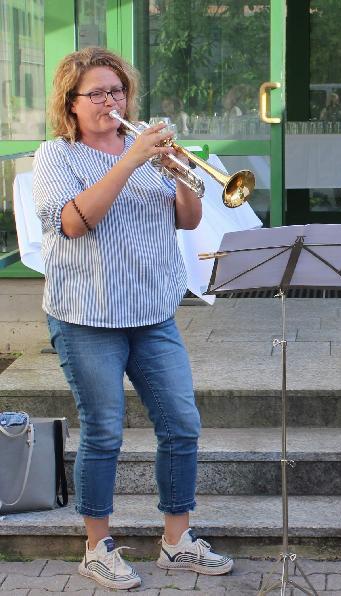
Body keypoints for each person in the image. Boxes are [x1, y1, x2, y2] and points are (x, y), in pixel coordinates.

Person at [32, 47, 233, 591]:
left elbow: (187, 221)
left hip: (152, 314)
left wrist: (183, 171)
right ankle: (97, 547)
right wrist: (130, 161)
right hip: (85, 316)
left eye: (116, 91)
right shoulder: (55, 156)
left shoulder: (144, 151)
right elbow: (74, 223)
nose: (109, 101)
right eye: (95, 93)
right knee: (103, 432)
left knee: (182, 424)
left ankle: (176, 543)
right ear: (70, 105)